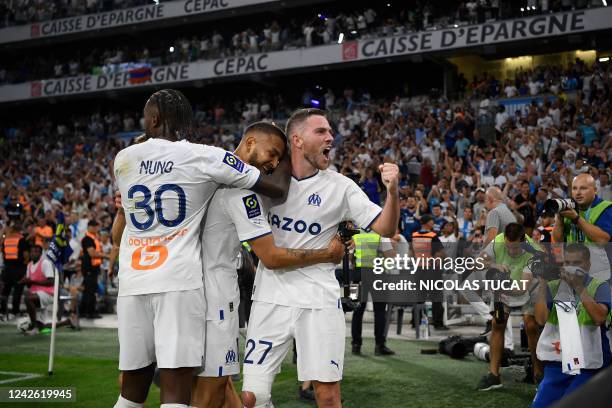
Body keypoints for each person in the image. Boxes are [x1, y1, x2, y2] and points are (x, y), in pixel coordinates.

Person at [112, 89, 289, 408]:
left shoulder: (123, 159)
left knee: (129, 393)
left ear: (152, 119)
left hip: (132, 282)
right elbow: (274, 187)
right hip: (179, 283)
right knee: (178, 396)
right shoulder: (205, 157)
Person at [241, 108, 400, 408]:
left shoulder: (340, 187)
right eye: (322, 131)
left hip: (319, 300)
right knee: (253, 397)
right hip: (270, 298)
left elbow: (386, 228)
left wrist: (392, 192)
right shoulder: (264, 182)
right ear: (297, 140)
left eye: (330, 131)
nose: (331, 136)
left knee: (327, 396)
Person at [193, 121, 344, 408]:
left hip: (185, 287)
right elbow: (272, 257)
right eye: (272, 153)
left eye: (279, 157)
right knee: (207, 394)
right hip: (215, 297)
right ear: (250, 142)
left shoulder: (207, 169)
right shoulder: (240, 189)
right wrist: (327, 253)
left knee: (220, 385)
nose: (274, 163)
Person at [532, 243, 611, 407]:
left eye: (577, 263)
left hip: (590, 363)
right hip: (558, 361)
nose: (571, 268)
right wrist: (542, 283)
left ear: (588, 265)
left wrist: (579, 287)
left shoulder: (600, 286)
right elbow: (540, 320)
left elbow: (599, 318)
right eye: (567, 263)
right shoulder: (553, 286)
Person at [476, 223, 542, 391]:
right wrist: (494, 266)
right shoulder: (498, 241)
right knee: (497, 323)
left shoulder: (533, 251)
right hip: (501, 290)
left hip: (528, 288)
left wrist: (505, 283)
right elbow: (478, 262)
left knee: (531, 325)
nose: (511, 251)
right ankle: (494, 375)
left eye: (515, 248)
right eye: (508, 246)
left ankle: (538, 374)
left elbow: (522, 288)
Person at [552, 173, 612, 281]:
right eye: (574, 188)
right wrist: (559, 220)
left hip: (599, 274)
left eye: (583, 188)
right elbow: (558, 239)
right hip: (574, 272)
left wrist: (576, 219)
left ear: (595, 190)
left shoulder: (605, 208)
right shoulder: (570, 208)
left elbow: (603, 239)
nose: (578, 193)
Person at [350, 229, 395, 356]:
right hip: (378, 273)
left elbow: (350, 256)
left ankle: (356, 345)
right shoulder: (382, 234)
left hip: (357, 274)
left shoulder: (355, 233)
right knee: (380, 310)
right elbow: (389, 256)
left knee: (356, 310)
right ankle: (379, 345)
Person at [412, 214, 446, 330]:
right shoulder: (433, 236)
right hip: (431, 270)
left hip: (418, 269)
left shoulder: (414, 235)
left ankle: (415, 321)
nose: (433, 222)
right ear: (427, 223)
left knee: (419, 297)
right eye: (431, 221)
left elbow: (411, 252)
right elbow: (440, 253)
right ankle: (438, 323)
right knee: (436, 297)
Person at [18, 245, 54, 334]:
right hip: (36, 294)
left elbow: (51, 282)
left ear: (41, 254)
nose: (34, 253)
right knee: (42, 327)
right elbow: (30, 285)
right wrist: (25, 281)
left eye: (37, 251)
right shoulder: (29, 265)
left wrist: (32, 281)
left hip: (48, 293)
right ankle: (68, 322)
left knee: (28, 298)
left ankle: (33, 326)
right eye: (32, 251)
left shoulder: (45, 263)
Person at [1, 222, 29, 319]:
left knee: (5, 291)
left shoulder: (6, 240)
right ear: (19, 230)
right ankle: (15, 311)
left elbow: (3, 253)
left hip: (7, 268)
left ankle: (3, 311)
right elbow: (26, 255)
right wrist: (25, 264)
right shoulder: (21, 239)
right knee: (17, 290)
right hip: (18, 269)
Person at [80, 220, 107, 319]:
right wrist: (107, 256)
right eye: (94, 226)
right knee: (90, 291)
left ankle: (85, 311)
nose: (96, 229)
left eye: (97, 226)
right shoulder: (87, 239)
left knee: (89, 290)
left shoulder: (94, 238)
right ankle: (90, 312)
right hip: (89, 268)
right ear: (89, 227)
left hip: (93, 268)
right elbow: (92, 253)